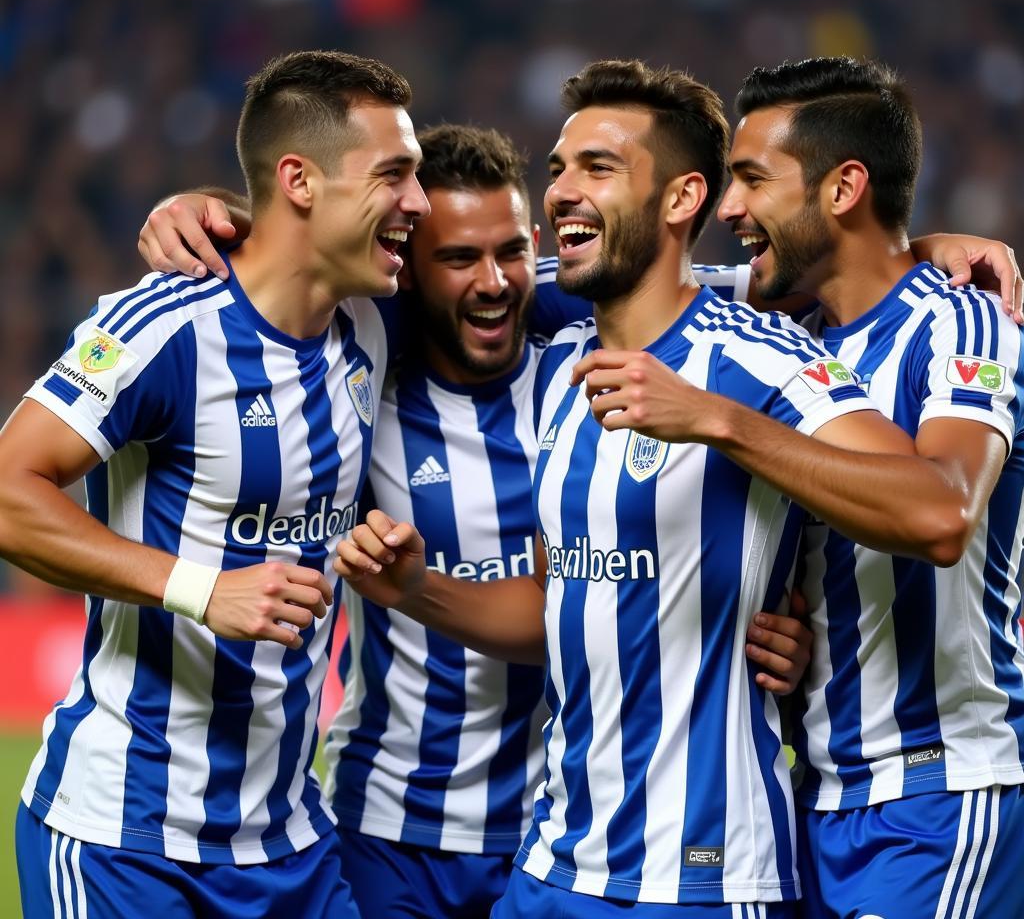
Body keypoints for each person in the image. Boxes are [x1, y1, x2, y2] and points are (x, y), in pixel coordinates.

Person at [336, 59, 1001, 917]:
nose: (563, 193)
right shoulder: (565, 379)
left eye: (599, 170)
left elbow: (931, 509)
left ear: (683, 200)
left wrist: (716, 418)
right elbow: (557, 602)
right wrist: (418, 590)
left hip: (703, 874)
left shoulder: (762, 354)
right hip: (554, 866)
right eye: (560, 171)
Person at [139, 122, 815, 919]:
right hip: (388, 836)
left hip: (561, 832)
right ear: (406, 269)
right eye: (458, 260)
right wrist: (212, 210)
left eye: (512, 253)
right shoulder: (360, 379)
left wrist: (923, 248)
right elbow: (293, 257)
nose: (493, 282)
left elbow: (773, 281)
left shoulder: (586, 367)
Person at [0, 49, 430, 918]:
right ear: (300, 180)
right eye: (394, 175)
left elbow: (523, 277)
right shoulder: (163, 325)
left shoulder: (371, 323)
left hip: (290, 843)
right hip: (128, 843)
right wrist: (201, 590)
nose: (416, 203)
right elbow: (9, 489)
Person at [713, 57, 1024, 919]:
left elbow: (946, 514)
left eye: (752, 180)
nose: (728, 209)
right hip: (815, 799)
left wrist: (730, 424)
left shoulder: (963, 321)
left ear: (844, 187)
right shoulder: (785, 332)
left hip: (941, 794)